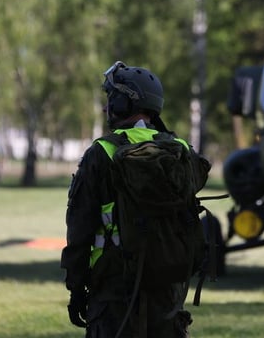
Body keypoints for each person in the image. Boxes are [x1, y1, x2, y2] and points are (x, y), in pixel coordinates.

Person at [62, 61, 207, 337]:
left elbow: (79, 230)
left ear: (122, 104)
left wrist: (76, 289)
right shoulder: (181, 151)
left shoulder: (101, 153)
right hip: (169, 287)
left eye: (111, 99)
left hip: (114, 288)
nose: (107, 107)